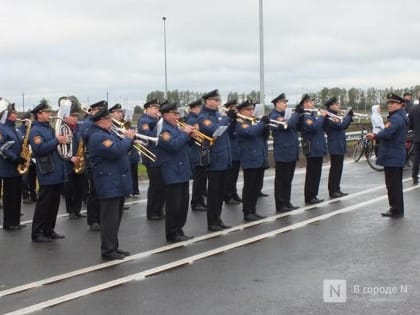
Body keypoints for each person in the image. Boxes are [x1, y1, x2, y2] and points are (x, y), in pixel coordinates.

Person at [88, 106, 135, 260]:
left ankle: (114, 246)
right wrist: (128, 139)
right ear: (101, 121)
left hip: (116, 181)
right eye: (109, 119)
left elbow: (120, 148)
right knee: (109, 219)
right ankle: (108, 250)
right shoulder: (98, 137)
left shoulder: (109, 133)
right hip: (108, 181)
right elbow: (116, 151)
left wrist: (128, 139)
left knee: (116, 218)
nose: (112, 122)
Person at [29, 100, 68, 242]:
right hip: (47, 171)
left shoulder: (49, 129)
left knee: (54, 204)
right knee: (43, 205)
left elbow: (56, 148)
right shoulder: (35, 130)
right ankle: (37, 232)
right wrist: (57, 141)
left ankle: (49, 229)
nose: (49, 114)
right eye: (47, 112)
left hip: (57, 171)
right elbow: (39, 150)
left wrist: (62, 141)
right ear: (39, 114)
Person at [156, 103, 195, 242]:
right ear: (166, 115)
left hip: (182, 169)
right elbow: (173, 145)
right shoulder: (164, 131)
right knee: (174, 205)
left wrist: (191, 136)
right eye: (174, 113)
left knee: (183, 204)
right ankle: (172, 233)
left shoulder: (176, 127)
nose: (177, 116)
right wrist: (185, 134)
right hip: (172, 171)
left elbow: (183, 144)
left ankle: (179, 229)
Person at [198, 89, 235, 231]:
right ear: (207, 101)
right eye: (214, 100)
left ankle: (218, 218)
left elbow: (228, 133)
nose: (217, 102)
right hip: (214, 159)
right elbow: (215, 131)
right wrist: (228, 118)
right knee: (213, 194)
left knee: (220, 193)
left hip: (224, 158)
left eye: (218, 100)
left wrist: (232, 120)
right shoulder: (203, 117)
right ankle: (211, 222)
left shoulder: (219, 115)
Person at [367, 93, 408, 217]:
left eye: (393, 103)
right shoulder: (401, 116)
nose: (390, 106)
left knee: (392, 185)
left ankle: (395, 210)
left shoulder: (395, 118)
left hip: (392, 155)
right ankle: (397, 208)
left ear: (400, 104)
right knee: (395, 184)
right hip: (396, 154)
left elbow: (387, 134)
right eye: (389, 103)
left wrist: (374, 136)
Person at [235, 100, 268, 221]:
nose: (251, 112)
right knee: (249, 187)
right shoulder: (240, 122)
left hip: (259, 157)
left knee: (256, 187)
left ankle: (253, 210)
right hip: (249, 158)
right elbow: (250, 133)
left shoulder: (253, 121)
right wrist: (262, 123)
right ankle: (247, 211)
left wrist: (265, 126)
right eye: (248, 110)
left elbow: (263, 136)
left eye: (251, 109)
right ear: (241, 111)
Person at [269, 93, 300, 212]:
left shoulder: (287, 114)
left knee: (288, 179)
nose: (286, 104)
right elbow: (289, 124)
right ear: (277, 103)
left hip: (291, 151)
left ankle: (287, 202)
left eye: (286, 102)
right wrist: (296, 114)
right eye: (283, 102)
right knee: (281, 180)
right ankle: (280, 204)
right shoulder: (275, 116)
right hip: (283, 152)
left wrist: (299, 115)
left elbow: (296, 126)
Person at [79, 101, 107, 231]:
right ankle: (93, 220)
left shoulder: (103, 124)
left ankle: (102, 217)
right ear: (94, 110)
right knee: (94, 191)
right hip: (92, 161)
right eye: (99, 110)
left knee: (103, 190)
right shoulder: (87, 123)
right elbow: (86, 137)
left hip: (105, 160)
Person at [0, 99, 26, 230]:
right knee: (9, 196)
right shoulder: (2, 129)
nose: (16, 115)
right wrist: (15, 158)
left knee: (17, 195)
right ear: (7, 114)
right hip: (8, 167)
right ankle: (8, 222)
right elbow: (2, 149)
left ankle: (16, 221)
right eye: (13, 113)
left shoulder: (15, 129)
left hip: (17, 168)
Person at [137, 99, 165, 220]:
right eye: (154, 108)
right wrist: (157, 126)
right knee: (155, 186)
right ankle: (152, 212)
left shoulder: (157, 121)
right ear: (147, 108)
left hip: (159, 156)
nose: (157, 111)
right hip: (151, 156)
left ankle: (159, 210)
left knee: (161, 186)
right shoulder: (144, 120)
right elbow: (148, 135)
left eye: (158, 109)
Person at [299, 94, 328, 204]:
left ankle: (314, 195)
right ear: (305, 104)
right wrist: (322, 117)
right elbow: (314, 127)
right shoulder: (306, 117)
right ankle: (309, 196)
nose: (313, 104)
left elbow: (321, 128)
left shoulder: (313, 115)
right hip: (312, 148)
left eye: (312, 102)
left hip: (318, 147)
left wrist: (323, 118)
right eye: (310, 102)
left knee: (317, 173)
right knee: (312, 174)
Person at [60, 97, 86, 220]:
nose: (76, 118)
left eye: (76, 116)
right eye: (73, 116)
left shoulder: (77, 129)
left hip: (79, 160)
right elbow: (61, 147)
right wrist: (70, 158)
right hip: (68, 162)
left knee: (80, 187)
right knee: (70, 188)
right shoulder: (63, 128)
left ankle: (77, 209)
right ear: (66, 116)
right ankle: (71, 211)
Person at [323, 97, 353, 198]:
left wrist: (348, 118)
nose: (338, 106)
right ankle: (333, 190)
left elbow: (343, 126)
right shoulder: (329, 116)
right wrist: (348, 117)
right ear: (331, 106)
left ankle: (337, 188)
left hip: (339, 143)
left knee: (339, 168)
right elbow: (341, 126)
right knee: (335, 169)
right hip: (334, 144)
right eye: (336, 104)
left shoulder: (335, 115)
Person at [184, 99, 208, 211]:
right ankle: (196, 202)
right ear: (195, 108)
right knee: (198, 179)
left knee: (202, 179)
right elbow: (195, 135)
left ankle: (200, 201)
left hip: (202, 150)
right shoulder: (192, 119)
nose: (202, 110)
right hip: (196, 150)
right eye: (200, 108)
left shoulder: (197, 118)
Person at [223, 99, 242, 205]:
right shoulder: (227, 119)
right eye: (233, 107)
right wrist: (232, 120)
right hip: (231, 150)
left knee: (234, 175)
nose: (235, 110)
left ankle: (234, 193)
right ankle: (228, 195)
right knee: (229, 176)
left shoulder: (235, 119)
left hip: (237, 150)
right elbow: (229, 132)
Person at [18, 111, 38, 204]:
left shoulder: (32, 128)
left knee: (33, 177)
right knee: (24, 178)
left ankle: (34, 194)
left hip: (32, 156)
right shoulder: (20, 130)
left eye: (30, 119)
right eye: (28, 119)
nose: (30, 121)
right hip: (24, 155)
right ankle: (25, 196)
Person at [408, 100, 420, 184]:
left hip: (417, 137)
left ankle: (414, 176)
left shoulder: (414, 109)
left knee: (416, 158)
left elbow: (410, 124)